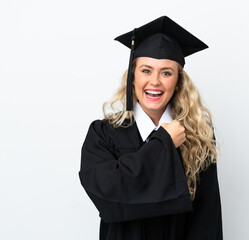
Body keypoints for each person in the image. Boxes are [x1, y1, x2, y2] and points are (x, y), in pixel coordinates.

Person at [79, 16, 222, 240]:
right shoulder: (104, 134)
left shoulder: (198, 136)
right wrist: (163, 142)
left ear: (178, 83)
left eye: (166, 72)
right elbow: (108, 198)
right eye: (146, 70)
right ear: (132, 77)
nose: (155, 81)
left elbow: (206, 221)